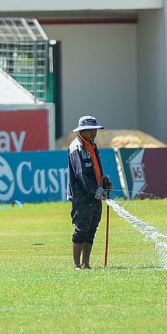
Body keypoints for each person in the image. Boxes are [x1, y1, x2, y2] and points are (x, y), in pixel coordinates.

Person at [67, 115, 112, 269]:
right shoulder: (76, 147)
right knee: (81, 229)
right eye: (90, 129)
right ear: (82, 131)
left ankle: (86, 263)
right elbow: (81, 175)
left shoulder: (93, 145)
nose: (94, 132)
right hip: (81, 196)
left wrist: (104, 182)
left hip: (96, 194)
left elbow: (95, 171)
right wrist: (97, 190)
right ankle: (76, 264)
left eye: (95, 129)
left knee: (92, 229)